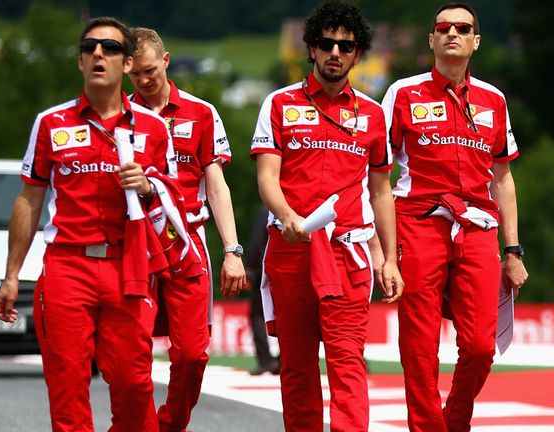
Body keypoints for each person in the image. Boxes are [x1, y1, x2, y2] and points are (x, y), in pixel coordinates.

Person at [0, 17, 175, 431]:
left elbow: (170, 204)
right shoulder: (51, 122)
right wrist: (11, 275)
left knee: (133, 385)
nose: (98, 54)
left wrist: (148, 186)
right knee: (68, 387)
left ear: (127, 64)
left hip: (127, 268)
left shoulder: (153, 128)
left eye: (110, 48)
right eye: (90, 47)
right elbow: (29, 198)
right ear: (79, 61)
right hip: (67, 267)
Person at [251, 1, 403, 430]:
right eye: (327, 43)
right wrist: (287, 217)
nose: (335, 52)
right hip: (292, 248)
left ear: (358, 54)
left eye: (346, 46)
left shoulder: (373, 114)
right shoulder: (279, 103)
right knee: (297, 367)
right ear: (312, 49)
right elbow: (267, 177)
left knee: (347, 363)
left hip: (347, 254)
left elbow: (380, 191)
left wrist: (389, 258)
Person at [381, 3, 528, 430]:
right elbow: (378, 175)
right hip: (418, 221)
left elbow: (503, 177)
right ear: (431, 40)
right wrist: (384, 250)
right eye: (443, 28)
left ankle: (454, 419)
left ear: (475, 41)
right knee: (420, 345)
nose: (452, 33)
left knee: (482, 345)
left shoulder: (493, 99)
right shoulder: (402, 92)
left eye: (462, 28)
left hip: (478, 226)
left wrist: (513, 250)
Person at [127, 27, 247, 432]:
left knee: (193, 354)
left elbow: (217, 185)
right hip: (136, 243)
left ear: (166, 61)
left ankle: (170, 424)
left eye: (149, 70)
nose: (144, 80)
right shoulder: (119, 117)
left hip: (186, 241)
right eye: (135, 73)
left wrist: (232, 250)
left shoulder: (201, 112)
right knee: (130, 352)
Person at [244, 204, 280, 375]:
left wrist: (249, 270)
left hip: (265, 272)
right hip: (291, 269)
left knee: (257, 314)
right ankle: (283, 358)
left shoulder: (266, 210)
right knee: (288, 314)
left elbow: (256, 241)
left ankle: (266, 360)